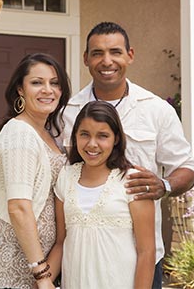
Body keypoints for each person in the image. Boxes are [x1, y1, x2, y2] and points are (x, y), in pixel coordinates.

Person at [58, 21, 194, 288]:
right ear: (86, 58)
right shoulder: (69, 111)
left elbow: (187, 168)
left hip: (143, 255)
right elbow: (56, 173)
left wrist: (165, 185)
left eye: (115, 52)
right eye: (97, 53)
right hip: (83, 259)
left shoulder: (156, 110)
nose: (106, 61)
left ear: (130, 55)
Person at [0, 53, 71, 289]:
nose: (47, 90)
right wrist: (42, 275)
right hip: (16, 269)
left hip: (40, 266)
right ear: (20, 90)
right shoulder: (19, 133)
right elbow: (19, 207)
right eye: (37, 82)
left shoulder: (48, 133)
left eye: (54, 83)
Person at [54, 101, 155, 288]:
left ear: (116, 138)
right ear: (75, 136)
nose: (92, 144)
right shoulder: (66, 177)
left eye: (102, 136)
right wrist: (41, 280)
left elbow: (146, 252)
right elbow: (61, 242)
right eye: (84, 134)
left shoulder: (132, 181)